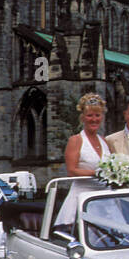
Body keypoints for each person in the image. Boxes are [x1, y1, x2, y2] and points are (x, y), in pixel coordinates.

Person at [54, 92, 112, 229]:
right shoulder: (75, 140)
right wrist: (96, 173)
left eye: (97, 115)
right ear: (82, 118)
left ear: (102, 117)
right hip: (82, 196)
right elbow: (72, 171)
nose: (94, 119)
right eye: (89, 115)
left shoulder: (104, 141)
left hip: (105, 198)